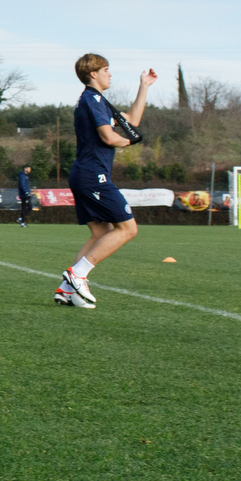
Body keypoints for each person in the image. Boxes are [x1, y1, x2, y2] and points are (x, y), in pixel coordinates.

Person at [55, 54, 156, 310]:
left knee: (102, 233)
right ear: (93, 74)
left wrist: (144, 86)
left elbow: (131, 121)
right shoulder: (93, 99)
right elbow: (110, 138)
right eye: (106, 70)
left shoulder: (97, 101)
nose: (110, 74)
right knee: (128, 229)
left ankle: (67, 289)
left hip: (84, 174)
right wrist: (131, 141)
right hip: (93, 177)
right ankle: (77, 276)